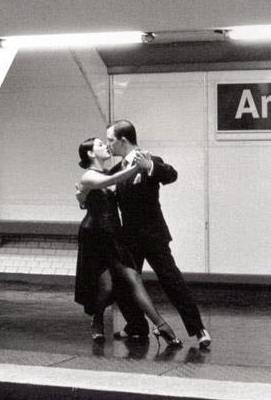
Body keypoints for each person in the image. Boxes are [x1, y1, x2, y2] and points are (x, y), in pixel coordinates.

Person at [105, 119, 211, 348]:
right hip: (130, 238)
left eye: (111, 140)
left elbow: (171, 175)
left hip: (153, 235)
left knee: (172, 280)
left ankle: (198, 328)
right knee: (123, 284)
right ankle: (137, 326)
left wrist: (150, 168)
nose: (108, 145)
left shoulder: (151, 161)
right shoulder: (116, 170)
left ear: (123, 140)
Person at [74, 137, 182, 347]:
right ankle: (97, 320)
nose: (106, 146)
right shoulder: (88, 176)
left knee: (133, 278)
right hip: (94, 235)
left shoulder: (109, 172)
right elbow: (110, 183)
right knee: (106, 287)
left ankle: (161, 326)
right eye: (99, 144)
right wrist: (138, 166)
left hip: (114, 234)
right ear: (90, 154)